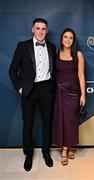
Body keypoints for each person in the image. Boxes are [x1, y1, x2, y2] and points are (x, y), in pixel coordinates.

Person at [9, 18, 56, 171]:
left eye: (43, 28)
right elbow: (12, 70)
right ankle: (28, 154)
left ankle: (46, 152)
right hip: (29, 90)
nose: (41, 31)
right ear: (32, 29)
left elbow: (54, 71)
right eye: (38, 28)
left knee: (47, 124)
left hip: (46, 89)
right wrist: (20, 88)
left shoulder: (52, 47)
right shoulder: (23, 46)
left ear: (47, 30)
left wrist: (52, 88)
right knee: (27, 124)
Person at [52, 28, 86, 166]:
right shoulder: (56, 54)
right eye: (65, 37)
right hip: (59, 92)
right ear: (61, 39)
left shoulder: (78, 55)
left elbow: (81, 75)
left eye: (70, 38)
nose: (67, 40)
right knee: (61, 120)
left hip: (73, 92)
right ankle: (68, 147)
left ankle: (65, 150)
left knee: (70, 121)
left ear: (73, 40)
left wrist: (83, 94)